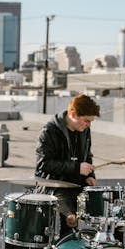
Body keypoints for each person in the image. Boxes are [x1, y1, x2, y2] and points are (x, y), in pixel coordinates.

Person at [35, 94, 100, 239]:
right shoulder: (49, 131)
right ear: (73, 114)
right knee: (70, 218)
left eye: (91, 121)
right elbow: (43, 165)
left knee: (111, 211)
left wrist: (90, 176)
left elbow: (87, 157)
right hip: (54, 188)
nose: (89, 125)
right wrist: (76, 168)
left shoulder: (84, 131)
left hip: (77, 185)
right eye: (86, 120)